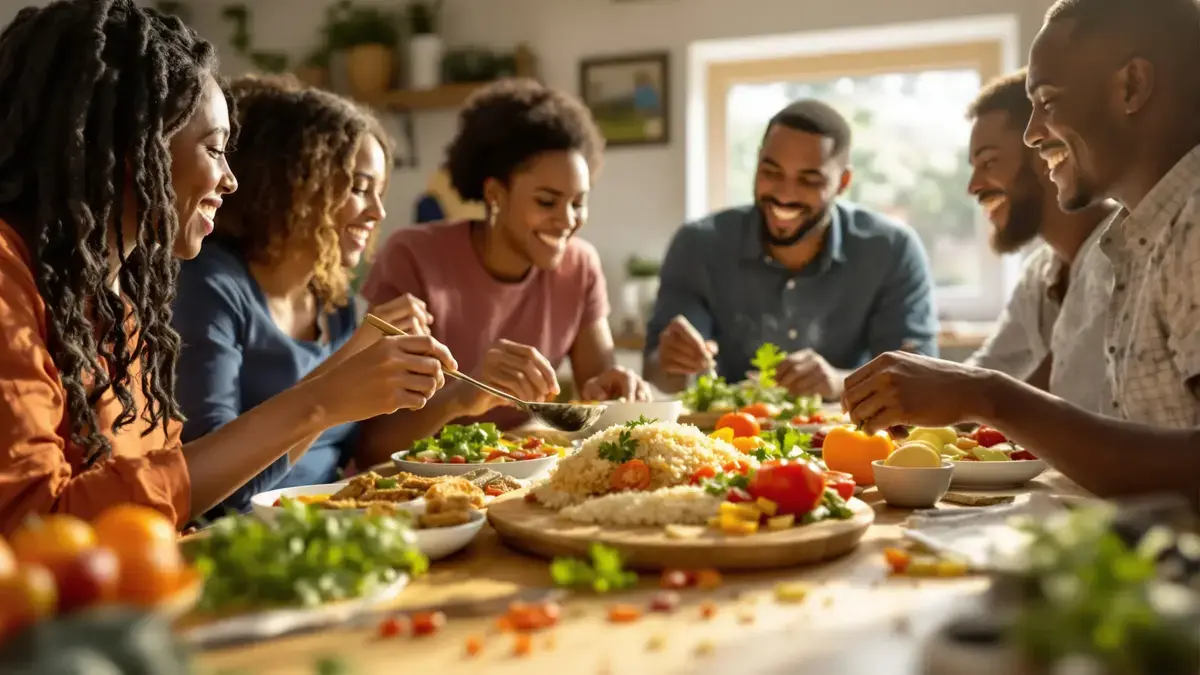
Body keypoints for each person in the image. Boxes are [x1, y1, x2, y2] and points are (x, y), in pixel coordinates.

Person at [0, 0, 454, 533]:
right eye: (215, 150)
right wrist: (319, 400)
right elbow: (35, 525)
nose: (230, 181)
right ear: (134, 145)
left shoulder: (116, 296)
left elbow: (166, 493)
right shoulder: (12, 281)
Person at [842, 0, 1200, 500]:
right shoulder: (1139, 240)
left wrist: (983, 395)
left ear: (1132, 87)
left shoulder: (1193, 225)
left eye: (1048, 101)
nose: (1033, 134)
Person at [172, 76, 435, 516]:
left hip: (330, 520)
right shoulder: (210, 287)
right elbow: (214, 498)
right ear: (295, 183)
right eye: (359, 187)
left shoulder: (333, 299)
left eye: (380, 193)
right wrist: (354, 356)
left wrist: (461, 398)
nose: (378, 212)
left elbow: (360, 449)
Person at [360, 78, 650, 451]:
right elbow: (371, 445)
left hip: (520, 475)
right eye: (547, 202)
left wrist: (616, 391)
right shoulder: (413, 257)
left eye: (578, 202)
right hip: (415, 486)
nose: (567, 220)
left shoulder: (580, 267)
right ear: (495, 194)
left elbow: (599, 401)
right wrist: (461, 397)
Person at [644, 99, 938, 400]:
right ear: (758, 162)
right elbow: (657, 375)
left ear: (843, 182)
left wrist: (839, 383)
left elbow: (917, 377)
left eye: (809, 180)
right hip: (727, 436)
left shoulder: (892, 250)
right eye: (771, 172)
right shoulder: (698, 245)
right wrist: (672, 364)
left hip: (847, 439)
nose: (784, 195)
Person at [963, 68, 1116, 412]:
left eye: (989, 162)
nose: (973, 186)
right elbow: (988, 370)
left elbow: (1063, 399)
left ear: (1045, 151)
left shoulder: (1122, 255)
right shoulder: (1041, 272)